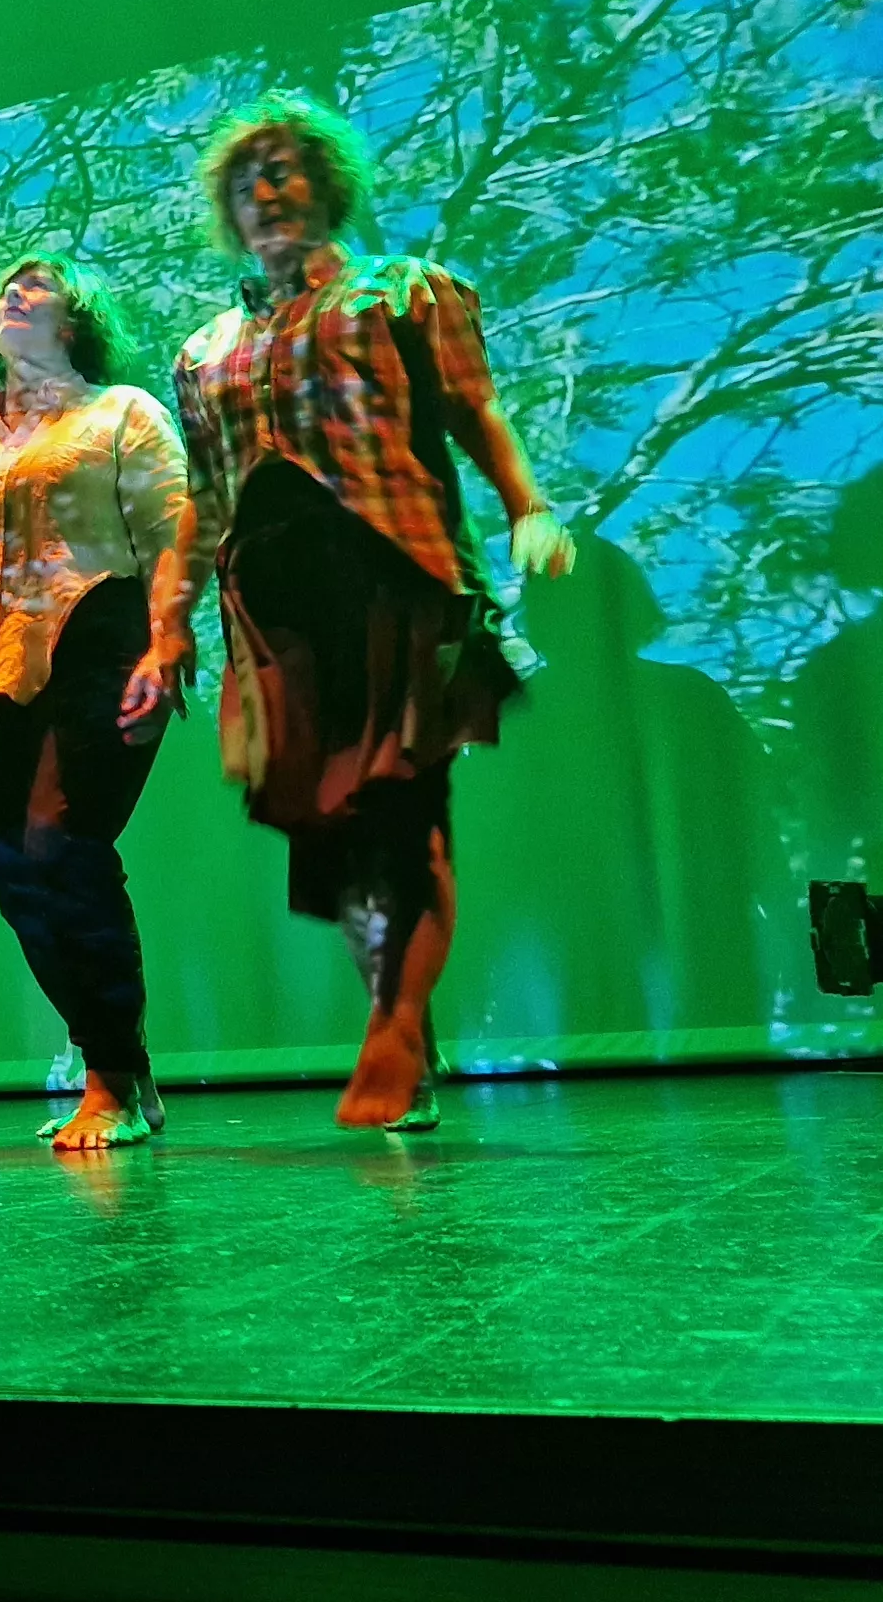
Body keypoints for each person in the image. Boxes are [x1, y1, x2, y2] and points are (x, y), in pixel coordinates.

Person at [167, 94, 576, 1131]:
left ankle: (394, 1033)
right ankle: (403, 1030)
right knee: (335, 836)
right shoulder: (206, 346)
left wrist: (528, 506)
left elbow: (470, 409)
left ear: (328, 182)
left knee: (403, 813)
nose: (267, 187)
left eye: (286, 165)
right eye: (246, 173)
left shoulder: (403, 290)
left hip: (393, 574)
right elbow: (203, 496)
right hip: (271, 604)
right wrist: (168, 621)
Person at [0, 258, 196, 1151]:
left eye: (40, 287)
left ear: (76, 320)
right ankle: (122, 1064)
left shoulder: (122, 414)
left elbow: (172, 534)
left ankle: (111, 1084)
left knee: (65, 845)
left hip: (93, 636)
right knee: (17, 877)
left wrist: (168, 642)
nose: (15, 295)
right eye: (5, 290)